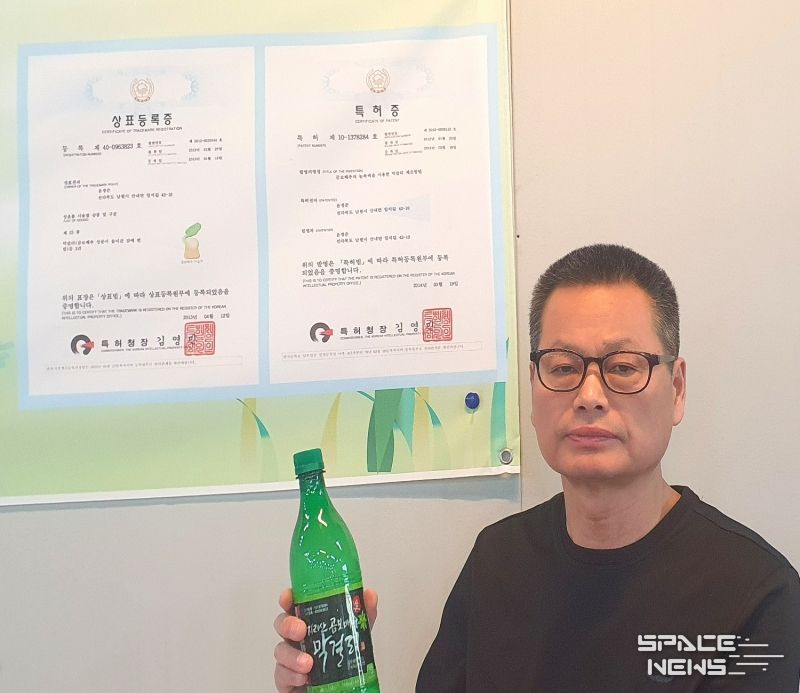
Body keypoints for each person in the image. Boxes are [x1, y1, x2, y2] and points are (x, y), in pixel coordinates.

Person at [274, 244, 800, 691]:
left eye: (623, 367)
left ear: (677, 388)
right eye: (563, 367)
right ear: (534, 385)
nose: (589, 395)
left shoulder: (757, 595)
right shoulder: (497, 559)